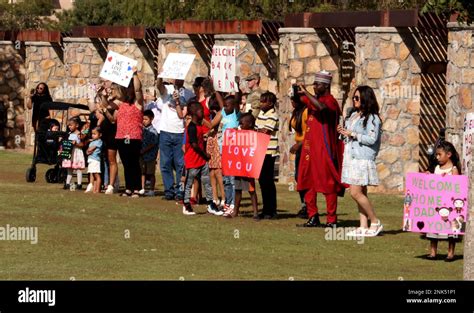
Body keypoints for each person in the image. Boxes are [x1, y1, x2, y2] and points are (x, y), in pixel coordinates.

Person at [297, 70, 345, 228]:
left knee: (327, 183)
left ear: (325, 85)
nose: (314, 86)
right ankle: (313, 216)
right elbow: (301, 99)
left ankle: (331, 220)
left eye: (317, 84)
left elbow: (322, 109)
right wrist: (299, 92)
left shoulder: (330, 101)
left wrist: (307, 93)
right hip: (309, 149)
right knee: (307, 182)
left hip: (323, 150)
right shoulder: (314, 99)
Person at [337, 85, 383, 237]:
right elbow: (350, 135)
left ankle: (375, 221)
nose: (354, 101)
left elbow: (372, 139)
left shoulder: (373, 118)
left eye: (357, 98)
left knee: (355, 193)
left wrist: (353, 134)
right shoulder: (354, 116)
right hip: (351, 156)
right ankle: (363, 225)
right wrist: (343, 132)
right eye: (353, 98)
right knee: (361, 192)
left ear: (365, 99)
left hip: (362, 158)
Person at [182, 101, 222, 216]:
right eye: (200, 110)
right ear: (194, 112)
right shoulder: (192, 127)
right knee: (189, 183)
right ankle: (186, 205)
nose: (202, 112)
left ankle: (211, 204)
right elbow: (194, 145)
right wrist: (205, 154)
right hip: (192, 161)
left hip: (201, 161)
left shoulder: (199, 126)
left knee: (207, 182)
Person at [424, 141, 462, 261]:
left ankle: (450, 253)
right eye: (436, 155)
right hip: (437, 204)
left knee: (451, 231)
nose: (437, 157)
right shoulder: (436, 168)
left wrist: (447, 180)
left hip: (449, 205)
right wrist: (428, 176)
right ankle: (433, 252)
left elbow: (456, 187)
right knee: (433, 229)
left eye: (439, 154)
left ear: (449, 154)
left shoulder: (454, 170)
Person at [109, 68, 144, 198]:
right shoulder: (121, 103)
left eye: (128, 88)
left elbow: (138, 90)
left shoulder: (138, 103)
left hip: (134, 136)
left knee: (134, 162)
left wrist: (134, 75)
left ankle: (137, 188)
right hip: (121, 136)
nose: (128, 91)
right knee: (126, 163)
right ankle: (128, 187)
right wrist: (101, 94)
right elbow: (105, 105)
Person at [209, 92, 241, 213]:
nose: (225, 107)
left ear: (233, 106)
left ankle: (233, 204)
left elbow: (236, 100)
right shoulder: (223, 113)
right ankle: (227, 202)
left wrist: (237, 88)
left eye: (228, 105)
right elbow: (221, 101)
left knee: (232, 180)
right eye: (225, 105)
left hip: (233, 152)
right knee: (226, 179)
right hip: (223, 151)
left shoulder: (235, 115)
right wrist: (215, 89)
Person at [225, 112, 259, 219]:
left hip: (248, 168)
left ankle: (255, 212)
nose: (240, 126)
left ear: (249, 124)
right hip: (238, 166)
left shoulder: (253, 135)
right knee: (237, 189)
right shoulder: (238, 134)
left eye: (242, 124)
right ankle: (235, 211)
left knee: (251, 190)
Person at [157, 77, 186, 201]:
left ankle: (180, 191)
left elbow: (183, 114)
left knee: (180, 165)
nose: (178, 80)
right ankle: (169, 191)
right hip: (165, 131)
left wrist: (178, 100)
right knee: (165, 163)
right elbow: (159, 86)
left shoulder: (187, 93)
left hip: (179, 132)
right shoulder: (167, 89)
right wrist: (160, 76)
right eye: (176, 78)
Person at [255, 91, 279, 220]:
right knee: (262, 181)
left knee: (267, 181)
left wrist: (254, 131)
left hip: (269, 151)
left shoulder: (272, 115)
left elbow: (265, 131)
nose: (261, 104)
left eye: (263, 101)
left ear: (270, 103)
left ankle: (271, 210)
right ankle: (266, 209)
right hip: (260, 150)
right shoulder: (262, 113)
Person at [289, 85, 309, 218]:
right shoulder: (296, 112)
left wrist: (299, 145)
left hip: (306, 147)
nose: (291, 102)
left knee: (304, 177)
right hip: (299, 146)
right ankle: (304, 204)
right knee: (298, 177)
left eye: (293, 99)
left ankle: (308, 206)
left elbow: (310, 133)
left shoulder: (306, 112)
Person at [96, 82, 119, 194]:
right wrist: (101, 94)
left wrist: (104, 109)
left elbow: (113, 119)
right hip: (104, 134)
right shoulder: (110, 100)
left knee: (112, 160)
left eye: (113, 89)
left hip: (113, 133)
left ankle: (111, 185)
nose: (110, 90)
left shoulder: (119, 102)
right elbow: (104, 106)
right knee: (104, 159)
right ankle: (107, 183)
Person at [140, 110, 160, 197]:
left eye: (146, 119)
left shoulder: (153, 131)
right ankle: (142, 188)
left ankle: (151, 190)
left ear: (151, 119)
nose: (144, 121)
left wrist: (144, 150)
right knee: (142, 172)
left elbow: (153, 144)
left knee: (150, 173)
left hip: (150, 156)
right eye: (143, 119)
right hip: (142, 155)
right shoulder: (142, 130)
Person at [62, 117, 85, 190]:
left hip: (77, 152)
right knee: (69, 169)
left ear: (77, 125)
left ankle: (79, 184)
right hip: (71, 152)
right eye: (69, 125)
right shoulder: (69, 134)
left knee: (78, 169)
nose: (69, 127)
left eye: (71, 125)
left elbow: (82, 145)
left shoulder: (79, 134)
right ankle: (67, 183)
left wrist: (76, 144)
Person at [85, 127, 103, 194]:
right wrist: (88, 151)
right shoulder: (93, 142)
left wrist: (89, 150)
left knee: (97, 175)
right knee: (93, 174)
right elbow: (87, 151)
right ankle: (94, 190)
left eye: (94, 134)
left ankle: (98, 190)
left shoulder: (99, 142)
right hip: (91, 159)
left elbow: (90, 149)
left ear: (100, 135)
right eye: (92, 134)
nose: (93, 135)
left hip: (95, 160)